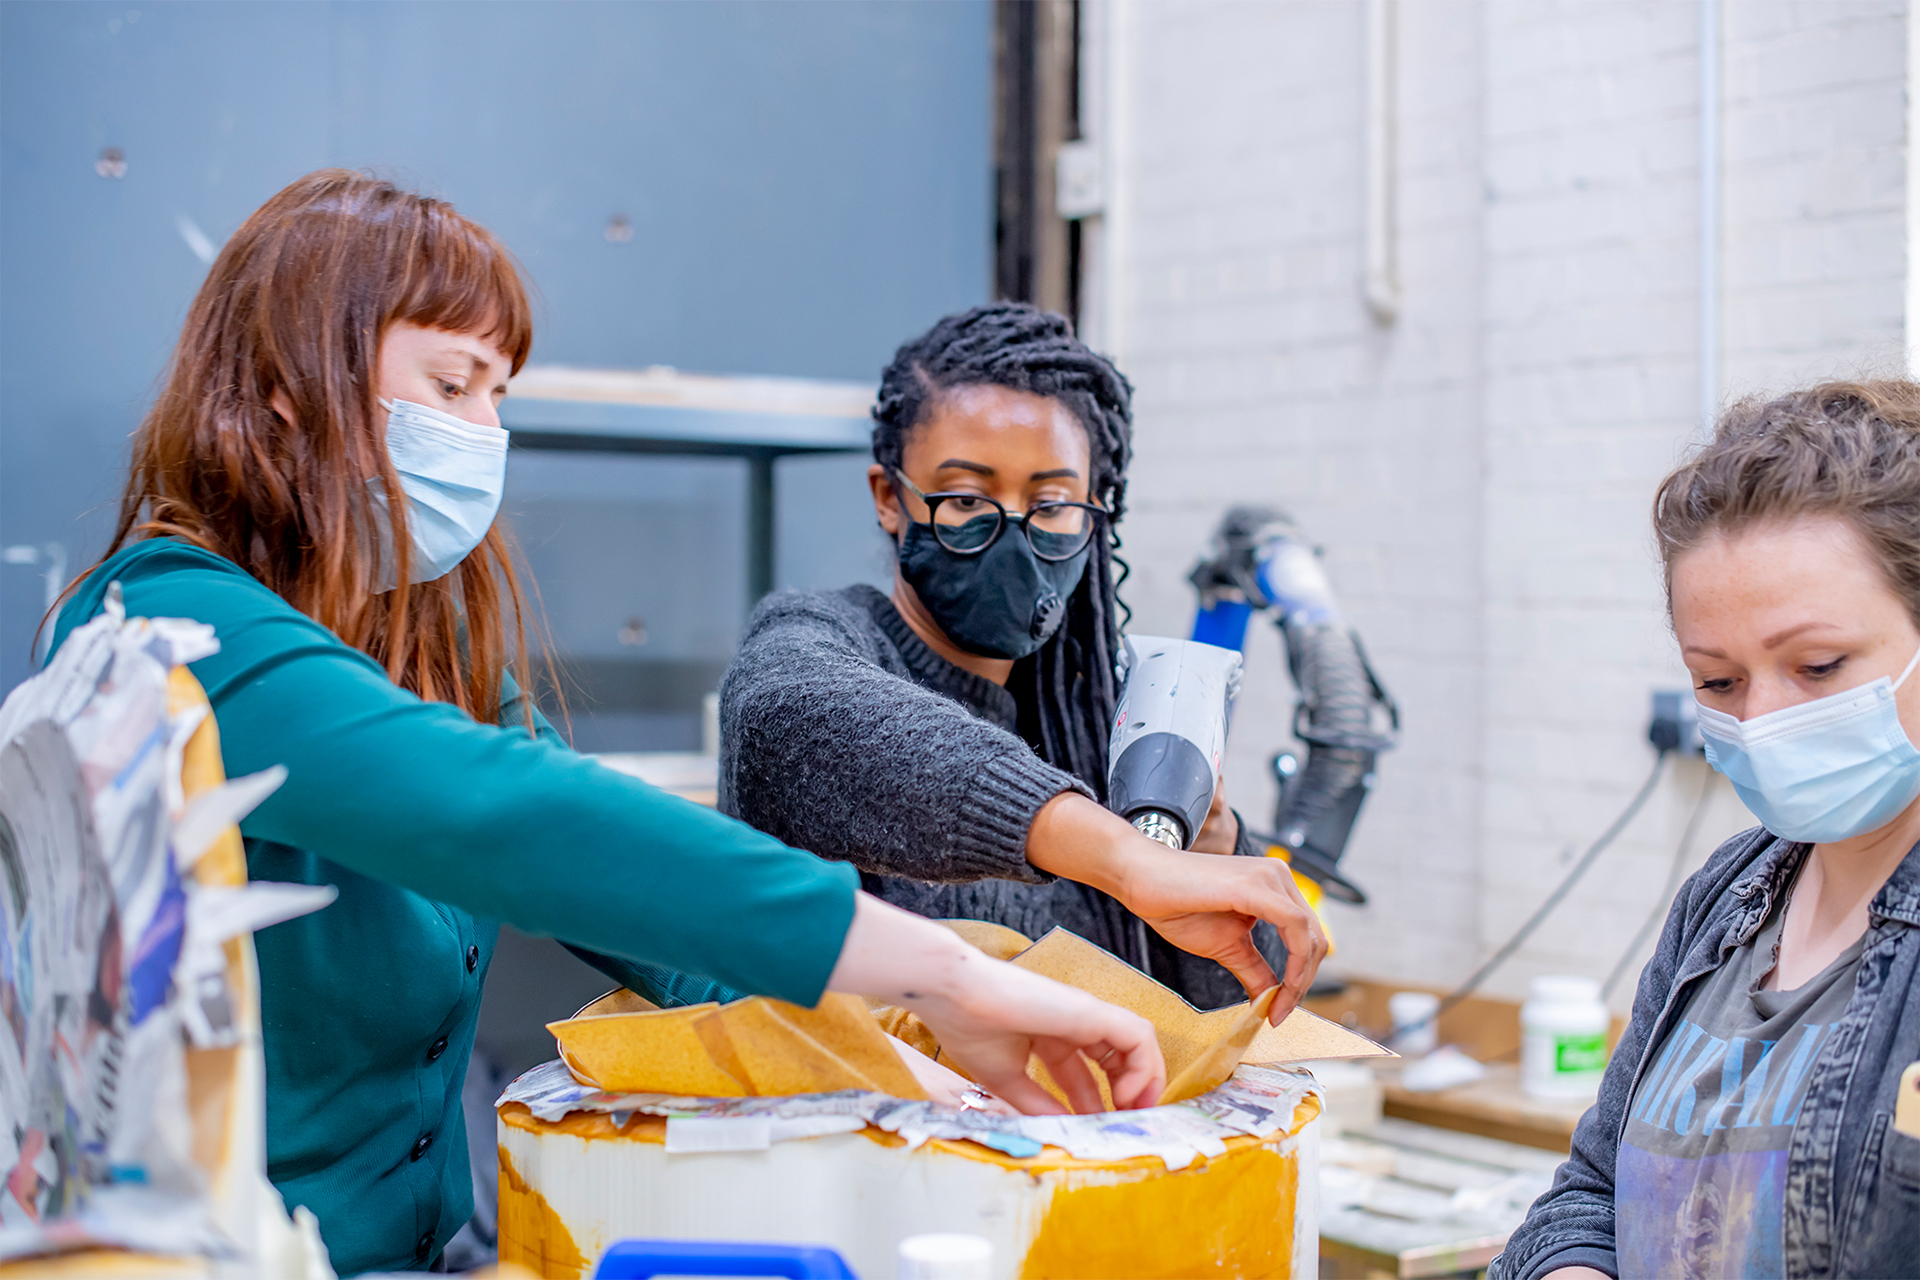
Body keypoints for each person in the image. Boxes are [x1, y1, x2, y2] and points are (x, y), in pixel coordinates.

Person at [40, 171, 1167, 1276]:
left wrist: (877, 1052)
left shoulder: (423, 638)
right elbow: (515, 820)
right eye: (452, 384)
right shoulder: (167, 630)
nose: (486, 431)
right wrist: (944, 972)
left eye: (500, 395)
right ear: (289, 385)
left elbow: (636, 911)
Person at [719, 303, 1328, 1014]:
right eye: (966, 498)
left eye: (1053, 502)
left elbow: (1236, 1007)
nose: (1013, 534)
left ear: (1095, 512)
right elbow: (792, 716)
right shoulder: (816, 640)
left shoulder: (1098, 722)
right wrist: (1120, 857)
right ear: (889, 497)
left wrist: (1211, 848)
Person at [1493, 381, 1920, 1280]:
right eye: (1718, 681)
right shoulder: (1728, 900)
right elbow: (1589, 1193)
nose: (1760, 720)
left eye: (1817, 666)